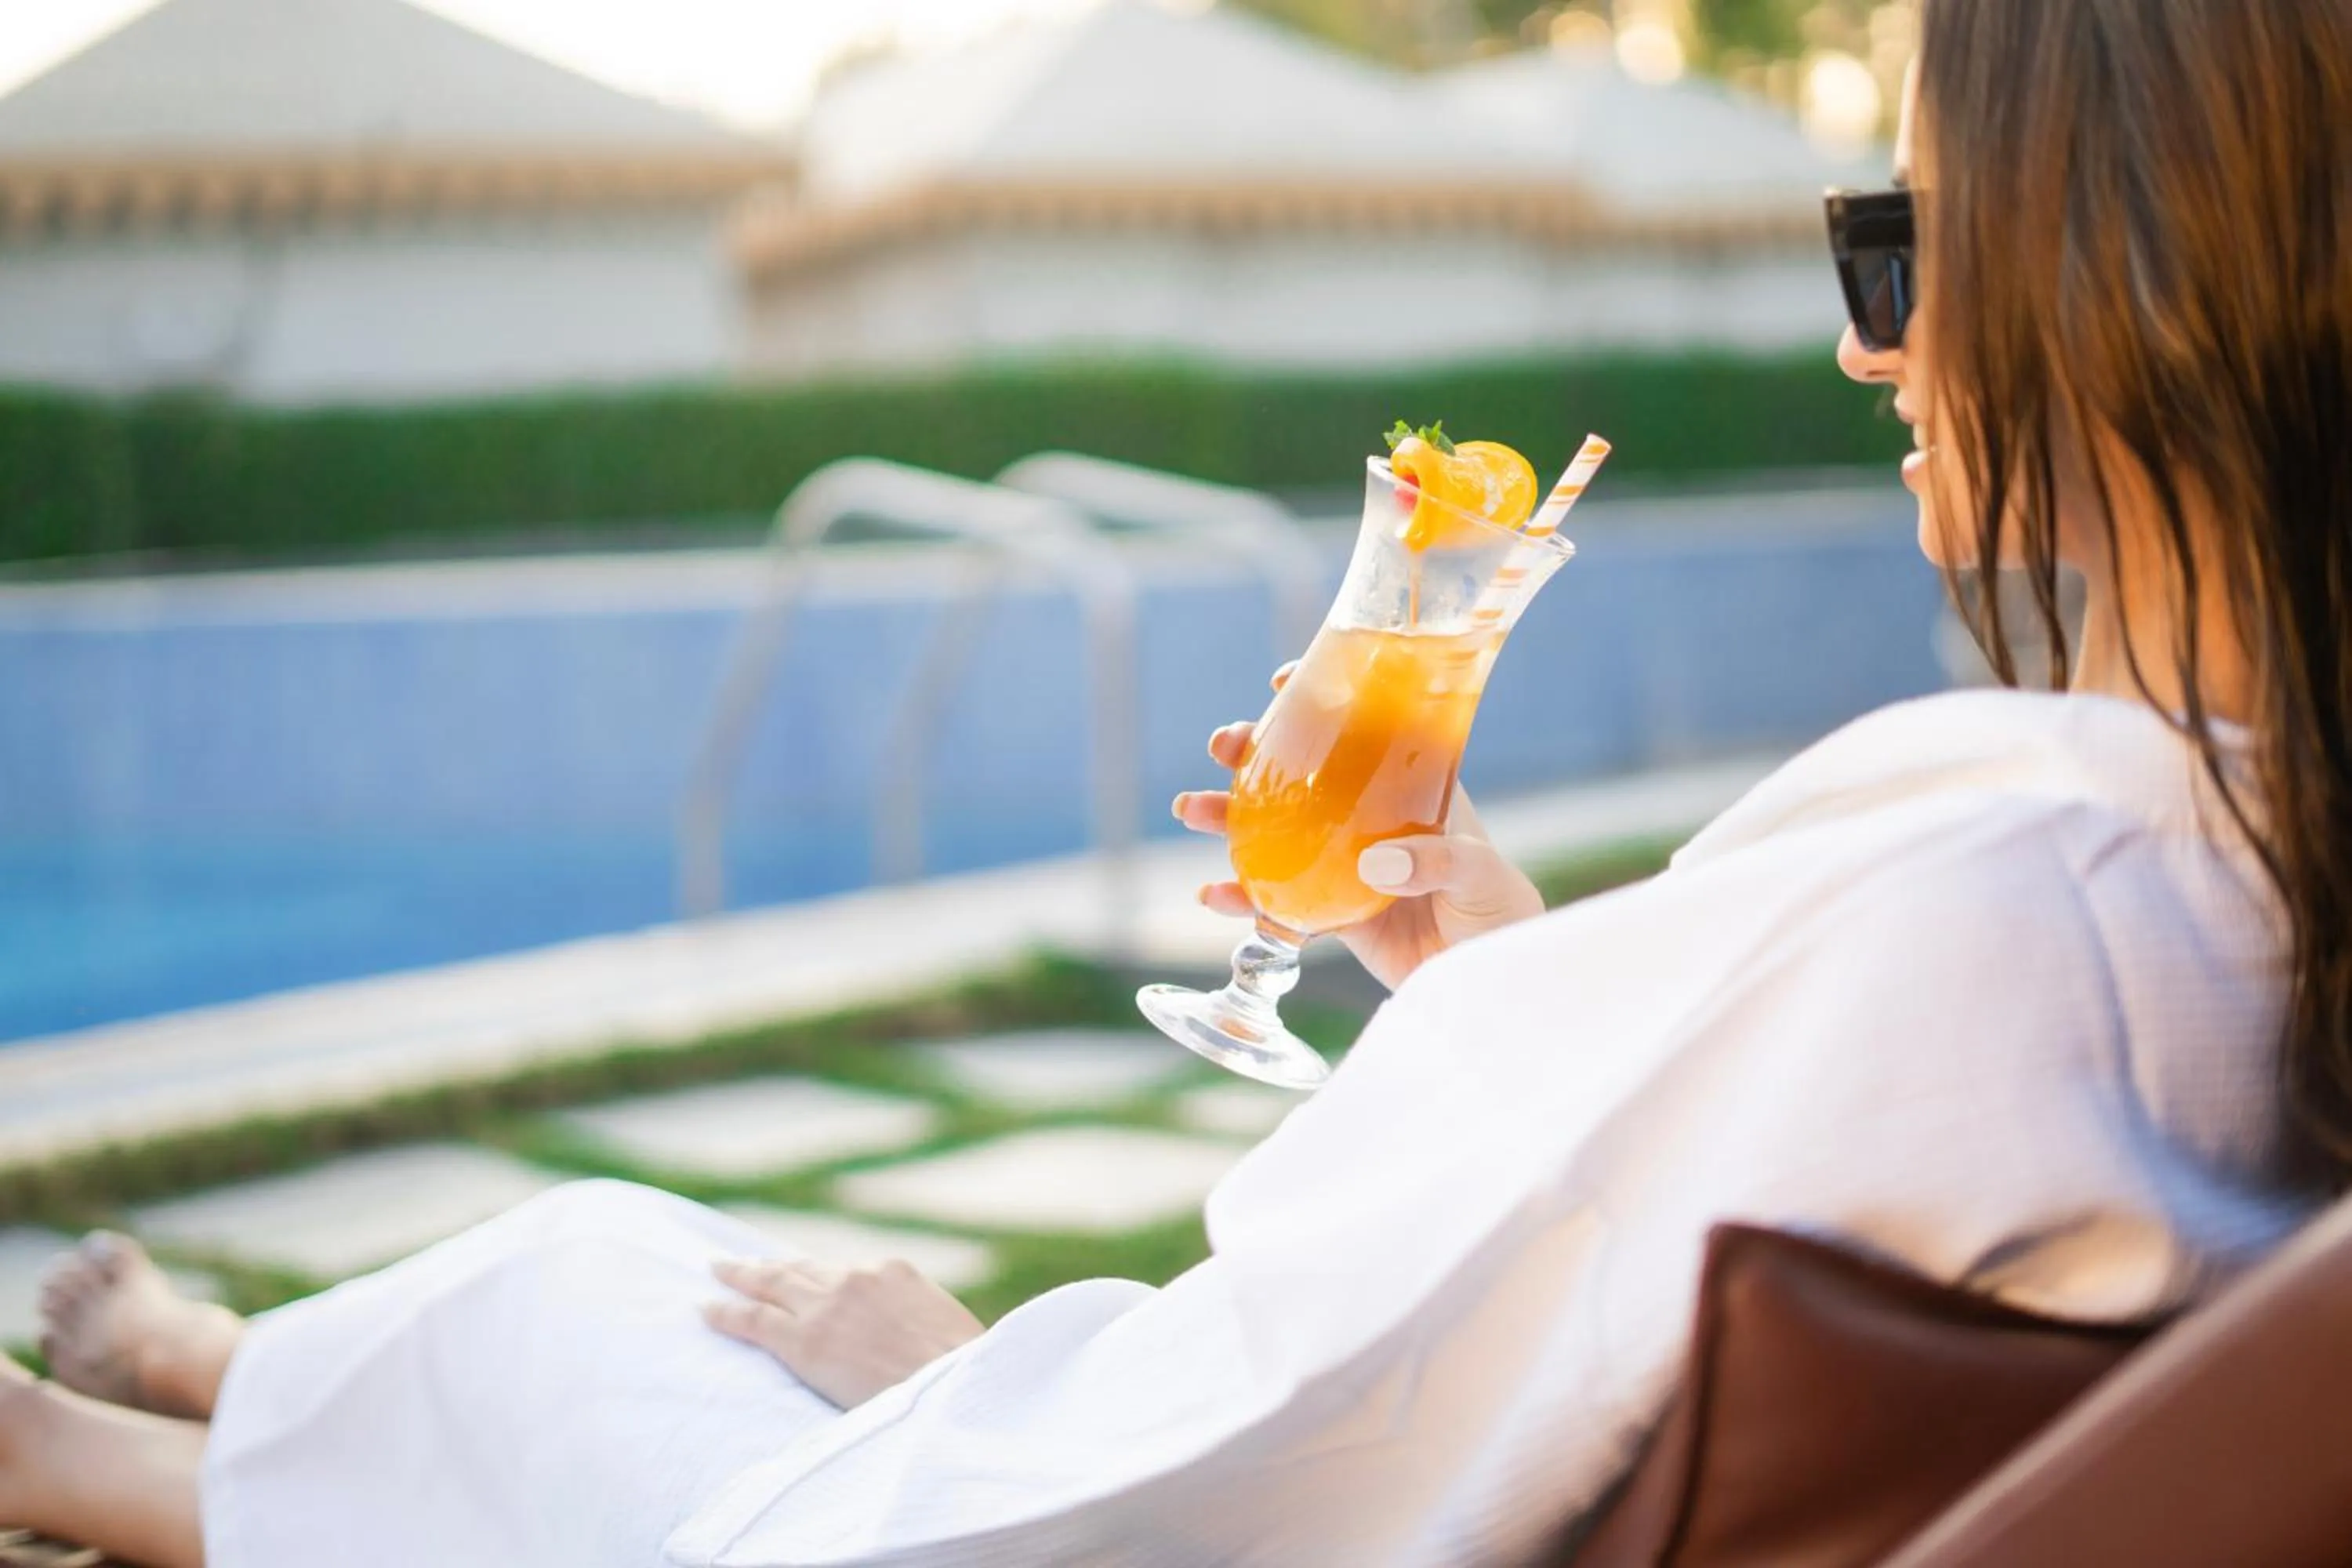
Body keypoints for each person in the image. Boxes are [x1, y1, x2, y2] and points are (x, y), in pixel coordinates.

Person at [8, 1, 2350, 1560]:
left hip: (1102, 1509)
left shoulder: (2026, 872)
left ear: (2122, 277)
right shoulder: (2205, 873)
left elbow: (1339, 1378)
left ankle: (98, 1457)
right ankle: (232, 1387)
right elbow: (1633, 1249)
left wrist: (961, 1384)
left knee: (614, 1291)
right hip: (1255, 1451)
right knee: (666, 1295)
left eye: (1900, 237)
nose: (1868, 338)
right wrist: (1473, 970)